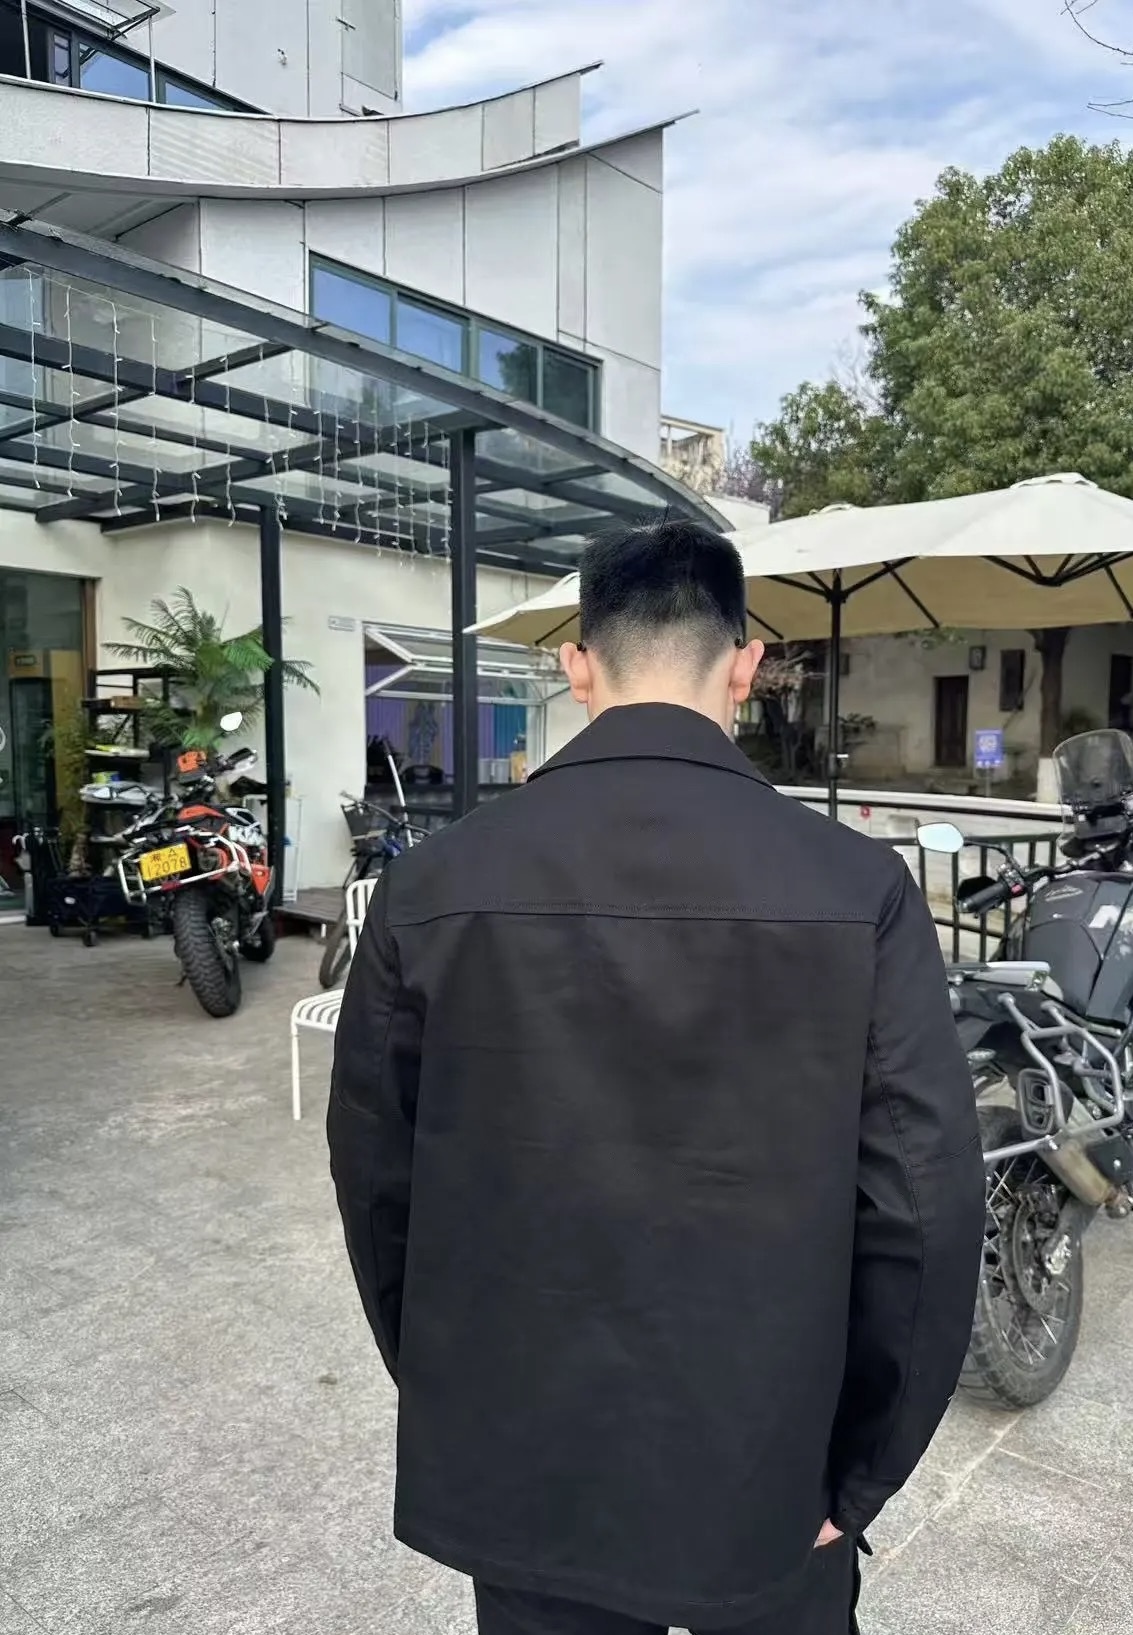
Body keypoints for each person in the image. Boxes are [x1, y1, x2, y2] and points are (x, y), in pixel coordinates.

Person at [328, 519, 986, 1635]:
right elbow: (924, 1208)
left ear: (576, 664)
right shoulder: (859, 889)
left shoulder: (430, 886)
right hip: (770, 1464)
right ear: (746, 663)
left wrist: (454, 1392)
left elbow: (378, 1184)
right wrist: (862, 1471)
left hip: (527, 1458)